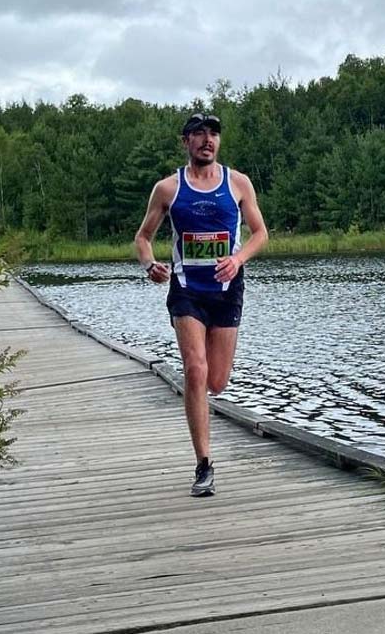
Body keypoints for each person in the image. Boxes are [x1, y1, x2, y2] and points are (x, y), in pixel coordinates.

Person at [133, 112, 269, 497]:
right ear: (186, 142)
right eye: (199, 135)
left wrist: (238, 259)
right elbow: (143, 237)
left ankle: (203, 420)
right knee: (195, 369)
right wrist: (149, 265)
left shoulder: (238, 183)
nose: (207, 140)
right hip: (186, 289)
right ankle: (204, 465)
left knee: (216, 381)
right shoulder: (168, 188)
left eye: (213, 134)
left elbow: (260, 233)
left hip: (226, 289)